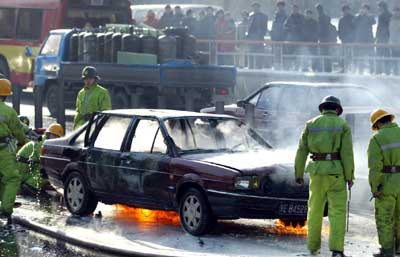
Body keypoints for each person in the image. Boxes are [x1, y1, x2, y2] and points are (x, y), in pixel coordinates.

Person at [295, 96, 354, 257]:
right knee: (337, 212)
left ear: (322, 108)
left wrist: (298, 174)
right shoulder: (343, 125)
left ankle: (313, 248)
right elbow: (347, 153)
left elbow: (301, 151)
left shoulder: (311, 124)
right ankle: (336, 251)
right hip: (336, 174)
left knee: (314, 211)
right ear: (337, 110)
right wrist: (350, 176)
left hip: (316, 173)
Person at [368, 109, 400, 257]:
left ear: (379, 123)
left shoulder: (377, 139)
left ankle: (387, 251)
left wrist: (375, 187)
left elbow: (375, 167)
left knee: (385, 218)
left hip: (387, 182)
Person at [0, 79, 27, 222]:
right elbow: (18, 130)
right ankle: (5, 208)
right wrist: (23, 140)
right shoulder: (9, 111)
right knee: (12, 178)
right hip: (4, 150)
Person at [16, 123, 64, 196]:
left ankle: (30, 185)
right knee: (47, 173)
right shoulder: (43, 143)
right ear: (48, 134)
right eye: (54, 136)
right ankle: (30, 186)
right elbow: (44, 162)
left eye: (57, 137)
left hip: (25, 166)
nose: (55, 138)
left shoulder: (45, 141)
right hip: (22, 168)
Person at [354, 4, 376, 74]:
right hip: (360, 40)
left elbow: (373, 22)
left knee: (371, 57)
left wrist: (366, 15)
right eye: (363, 9)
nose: (364, 10)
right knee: (360, 57)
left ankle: (372, 72)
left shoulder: (370, 16)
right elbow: (353, 23)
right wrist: (360, 15)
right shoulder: (358, 17)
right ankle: (361, 72)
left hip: (369, 40)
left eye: (365, 9)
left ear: (368, 10)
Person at [247, 2, 268, 69]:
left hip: (260, 36)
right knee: (251, 51)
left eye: (257, 7)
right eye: (254, 7)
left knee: (260, 52)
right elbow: (249, 27)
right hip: (252, 36)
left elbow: (265, 27)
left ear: (259, 8)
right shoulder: (251, 16)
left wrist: (262, 34)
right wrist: (248, 35)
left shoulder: (264, 16)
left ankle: (259, 66)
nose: (255, 8)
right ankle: (251, 66)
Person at [284, 4, 305, 70]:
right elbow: (285, 26)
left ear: (298, 10)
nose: (294, 10)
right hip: (291, 39)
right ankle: (289, 67)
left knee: (298, 54)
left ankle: (297, 67)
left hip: (299, 38)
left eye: (296, 9)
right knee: (290, 54)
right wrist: (290, 28)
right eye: (293, 9)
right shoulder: (289, 17)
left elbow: (304, 26)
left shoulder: (301, 17)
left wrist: (297, 27)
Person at [316, 4, 335, 72]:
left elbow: (322, 28)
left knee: (325, 54)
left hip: (325, 38)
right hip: (324, 38)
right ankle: (326, 69)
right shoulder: (322, 17)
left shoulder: (322, 17)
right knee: (324, 54)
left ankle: (326, 69)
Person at [376, 1, 392, 75]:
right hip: (386, 37)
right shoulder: (389, 15)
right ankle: (387, 71)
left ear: (382, 7)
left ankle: (380, 71)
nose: (378, 8)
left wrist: (377, 36)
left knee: (380, 54)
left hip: (383, 37)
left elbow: (381, 27)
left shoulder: (382, 15)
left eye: (379, 6)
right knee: (386, 55)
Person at [270, 1, 288, 70]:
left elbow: (286, 27)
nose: (280, 7)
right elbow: (273, 26)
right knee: (275, 52)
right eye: (278, 6)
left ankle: (283, 66)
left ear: (283, 7)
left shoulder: (286, 16)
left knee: (283, 52)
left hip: (282, 37)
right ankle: (275, 65)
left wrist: (284, 35)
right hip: (275, 37)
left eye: (281, 6)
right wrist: (271, 33)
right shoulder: (275, 15)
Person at [338, 4, 355, 72]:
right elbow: (340, 29)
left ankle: (351, 69)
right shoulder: (341, 19)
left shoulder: (353, 18)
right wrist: (341, 37)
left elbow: (355, 29)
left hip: (351, 41)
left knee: (351, 55)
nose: (346, 11)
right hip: (344, 40)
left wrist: (353, 38)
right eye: (344, 10)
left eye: (347, 10)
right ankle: (344, 68)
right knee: (343, 55)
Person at [389, 7, 400, 75]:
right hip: (392, 40)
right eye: (394, 11)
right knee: (393, 56)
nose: (396, 13)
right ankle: (395, 71)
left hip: (399, 40)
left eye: (397, 12)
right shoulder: (390, 19)